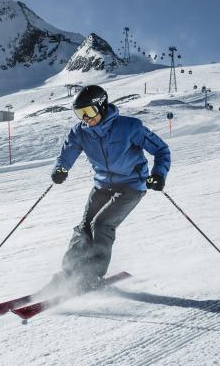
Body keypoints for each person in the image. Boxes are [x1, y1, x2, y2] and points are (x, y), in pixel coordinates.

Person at [47, 85, 170, 292]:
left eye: (88, 112)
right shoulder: (80, 132)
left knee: (101, 225)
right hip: (102, 184)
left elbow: (161, 150)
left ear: (101, 106)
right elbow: (67, 153)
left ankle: (92, 276)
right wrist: (60, 169)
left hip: (131, 185)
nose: (85, 118)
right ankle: (68, 275)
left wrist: (158, 174)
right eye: (80, 113)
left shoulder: (129, 127)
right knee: (84, 228)